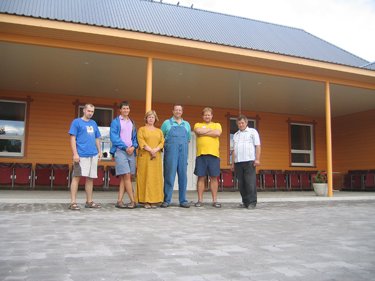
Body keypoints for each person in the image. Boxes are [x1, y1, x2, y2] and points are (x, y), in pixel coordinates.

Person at [68, 103, 102, 210]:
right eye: (89, 111)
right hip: (81, 155)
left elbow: (97, 138)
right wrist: (75, 154)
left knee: (90, 178)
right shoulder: (76, 122)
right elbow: (72, 138)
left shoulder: (93, 123)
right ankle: (73, 202)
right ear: (84, 110)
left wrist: (99, 151)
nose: (90, 113)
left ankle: (89, 201)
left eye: (92, 111)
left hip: (93, 154)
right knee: (77, 177)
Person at [160, 104, 191, 208]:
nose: (178, 112)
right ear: (172, 111)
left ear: (182, 112)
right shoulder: (166, 123)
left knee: (183, 176)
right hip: (170, 153)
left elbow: (189, 140)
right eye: (176, 110)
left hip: (183, 153)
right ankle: (166, 200)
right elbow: (161, 138)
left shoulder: (186, 124)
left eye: (180, 110)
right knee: (169, 176)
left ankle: (183, 201)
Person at [109, 101, 138, 209]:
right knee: (126, 175)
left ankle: (119, 201)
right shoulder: (116, 122)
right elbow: (114, 138)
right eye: (124, 108)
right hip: (120, 151)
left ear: (129, 110)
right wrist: (126, 148)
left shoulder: (132, 123)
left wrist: (133, 147)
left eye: (127, 108)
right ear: (120, 110)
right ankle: (133, 201)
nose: (126, 110)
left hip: (131, 151)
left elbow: (135, 138)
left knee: (125, 177)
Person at [193, 107, 222, 208]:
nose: (207, 116)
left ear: (212, 116)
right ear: (202, 116)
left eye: (209, 115)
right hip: (201, 155)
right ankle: (200, 200)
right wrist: (211, 132)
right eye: (205, 115)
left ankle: (214, 200)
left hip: (214, 155)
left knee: (214, 178)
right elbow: (198, 131)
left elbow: (217, 133)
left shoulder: (217, 125)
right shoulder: (198, 124)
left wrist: (204, 132)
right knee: (200, 177)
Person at [136, 110, 165, 209]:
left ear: (155, 119)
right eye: (149, 117)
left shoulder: (159, 131)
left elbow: (162, 142)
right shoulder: (142, 130)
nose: (151, 119)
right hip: (145, 157)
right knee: (145, 177)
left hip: (156, 158)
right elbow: (141, 141)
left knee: (154, 179)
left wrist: (155, 150)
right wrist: (150, 150)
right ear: (146, 119)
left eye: (152, 117)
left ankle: (154, 201)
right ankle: (145, 201)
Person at [231, 115, 261, 209]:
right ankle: (245, 202)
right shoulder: (236, 135)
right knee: (242, 183)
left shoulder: (252, 132)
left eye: (242, 123)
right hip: (238, 162)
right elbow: (234, 150)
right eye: (239, 123)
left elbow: (258, 146)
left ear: (246, 123)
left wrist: (257, 159)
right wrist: (232, 164)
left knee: (250, 182)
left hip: (249, 161)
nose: (241, 125)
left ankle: (252, 202)